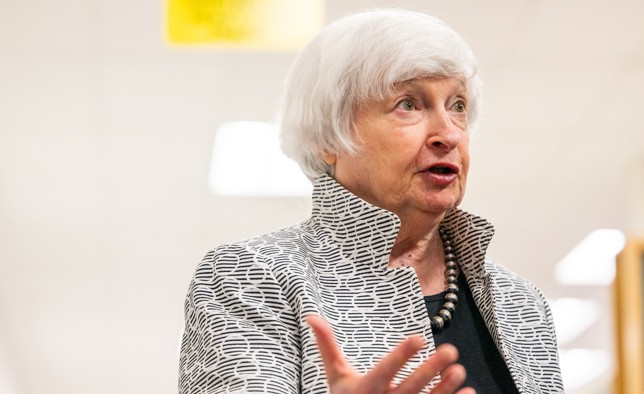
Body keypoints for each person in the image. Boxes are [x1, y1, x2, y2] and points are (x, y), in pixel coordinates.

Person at [179, 8, 564, 394]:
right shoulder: (250, 276)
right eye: (409, 104)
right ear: (327, 138)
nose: (448, 134)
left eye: (457, 105)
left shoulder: (521, 302)